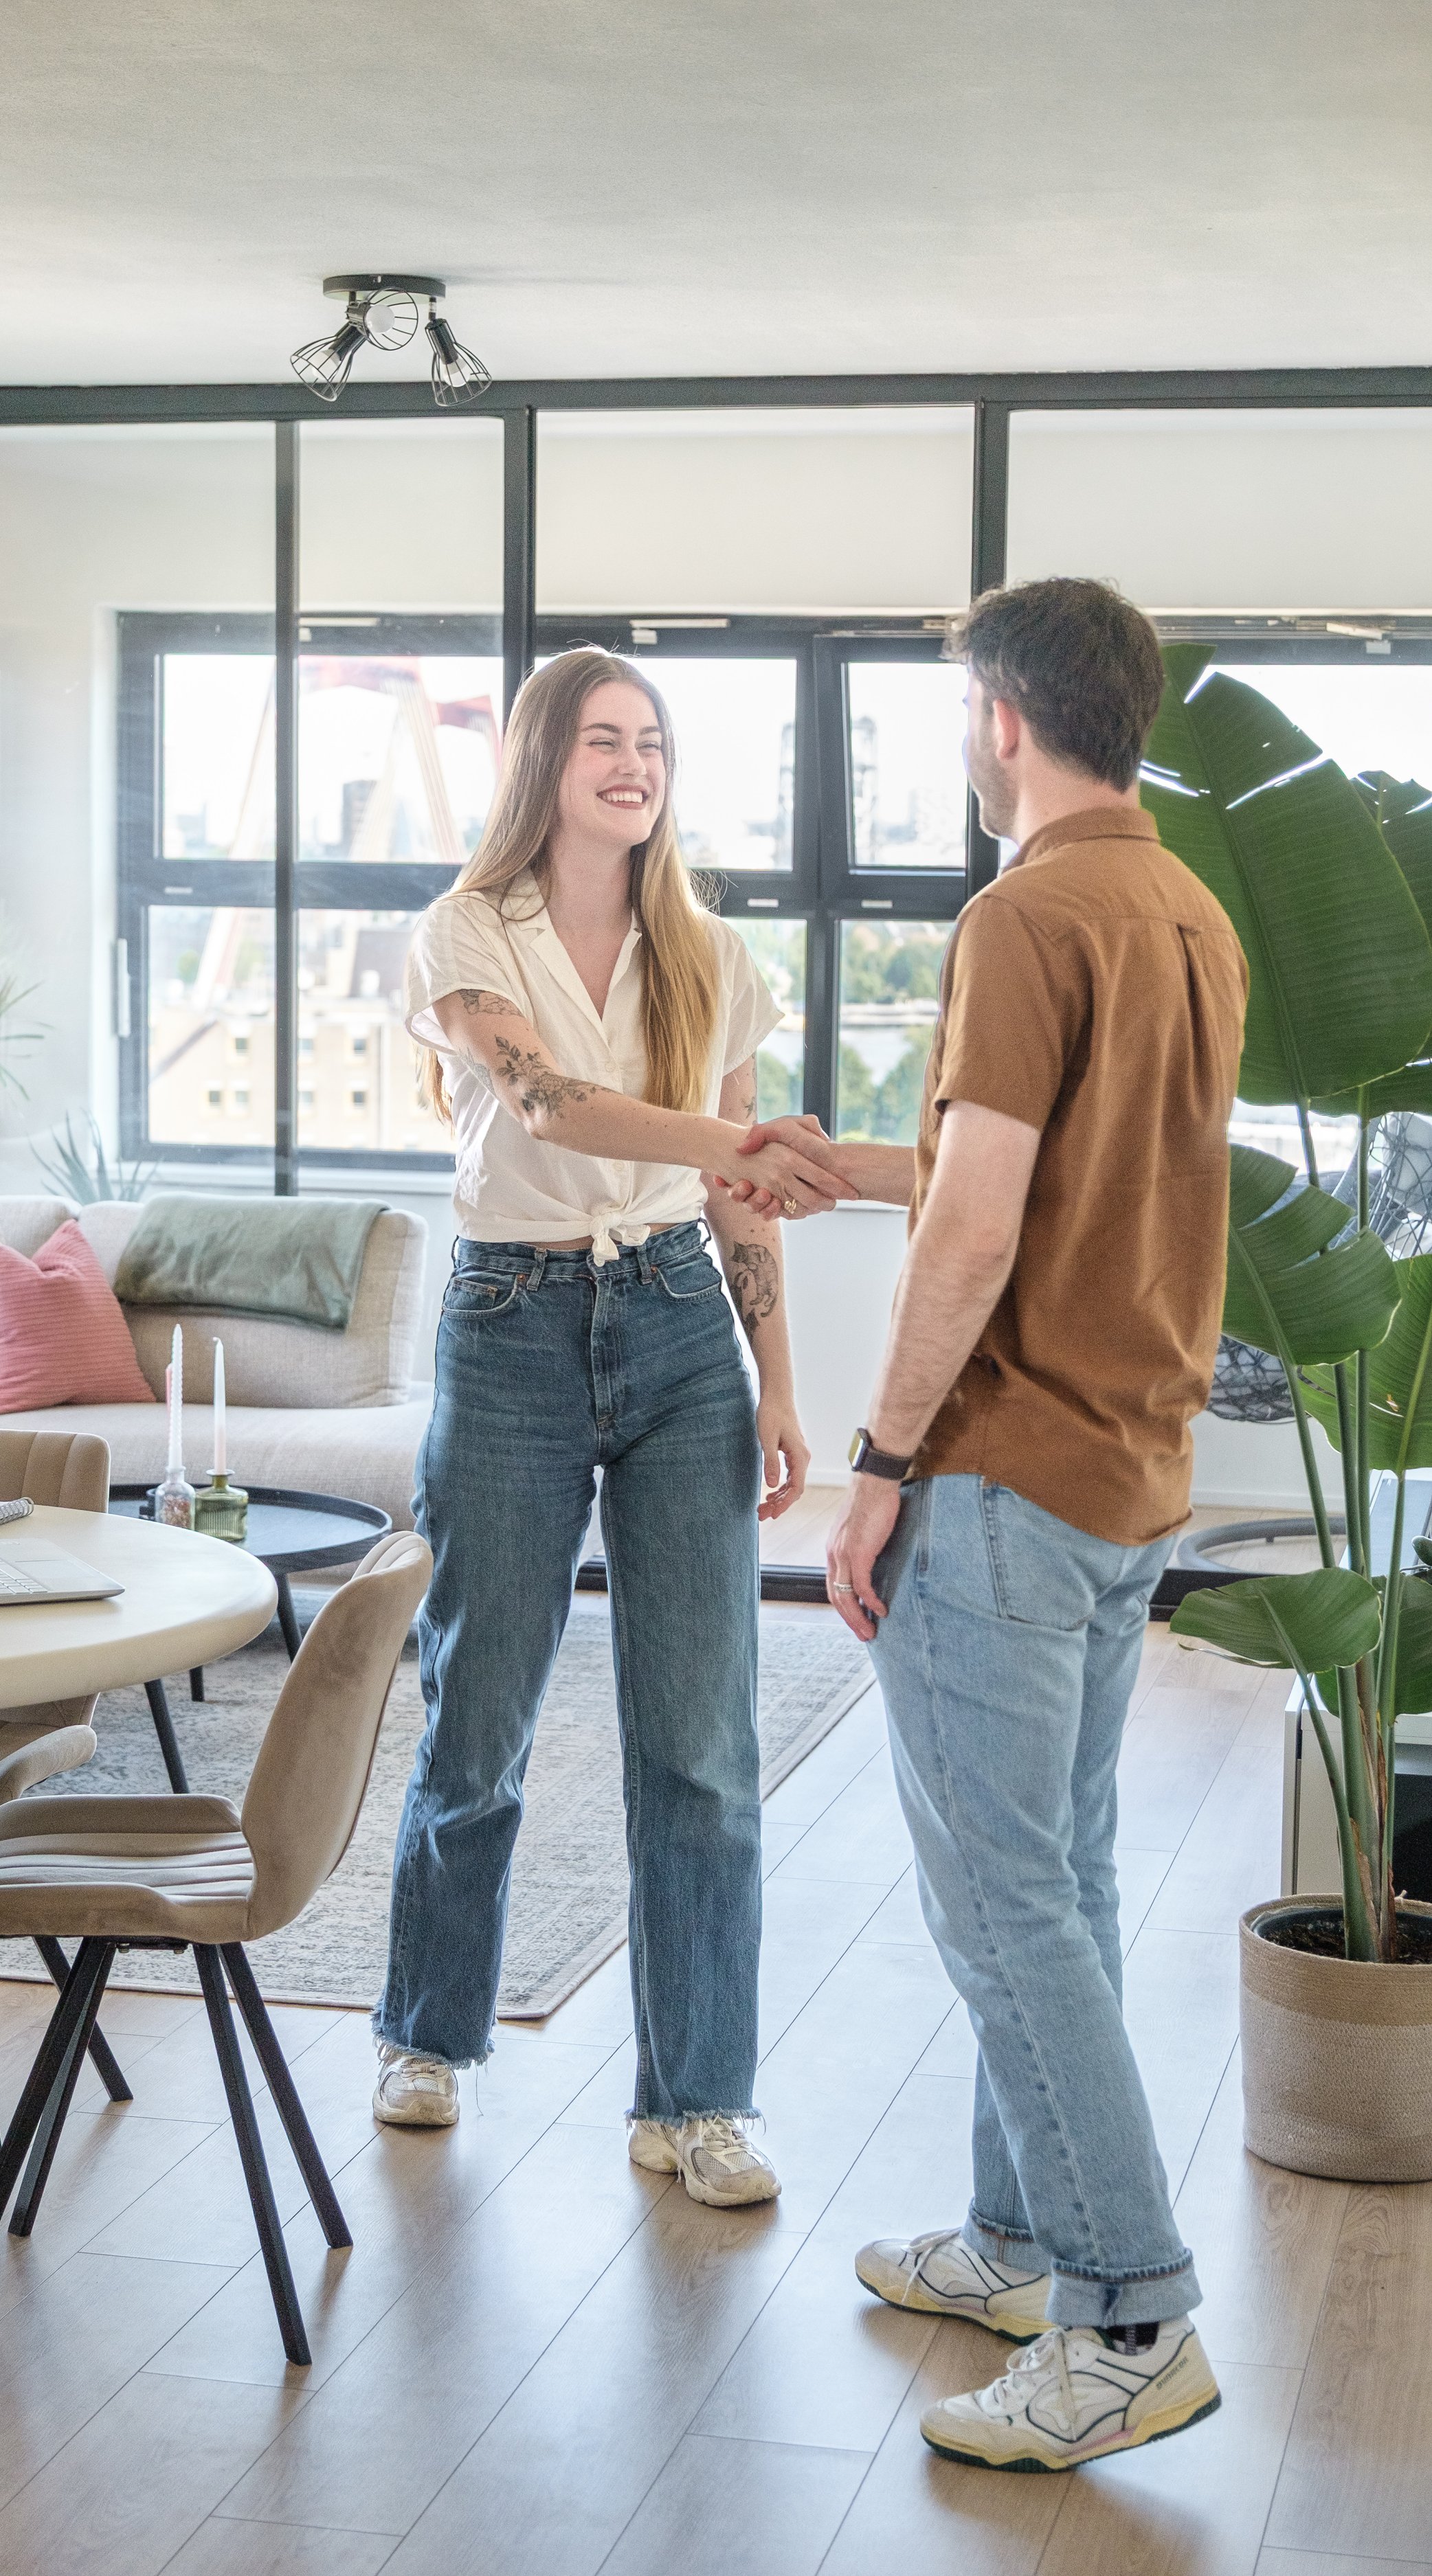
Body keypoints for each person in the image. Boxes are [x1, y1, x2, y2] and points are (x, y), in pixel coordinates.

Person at [732, 578, 1247, 2470]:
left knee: (998, 1897)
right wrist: (845, 1162)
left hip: (1003, 1471)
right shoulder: (1181, 909)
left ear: (1003, 719)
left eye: (961, 708)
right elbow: (1048, 1176)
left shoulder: (1021, 913)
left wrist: (877, 1461)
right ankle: (1018, 2239)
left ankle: (1126, 2314)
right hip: (1126, 1472)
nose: (962, 737)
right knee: (1062, 1876)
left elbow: (973, 1228)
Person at [373, 646, 849, 2206]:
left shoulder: (709, 952)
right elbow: (548, 1107)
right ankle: (429, 2032)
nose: (633, 763)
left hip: (677, 1322)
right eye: (601, 739)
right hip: (509, 1323)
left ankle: (699, 2098)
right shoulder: (465, 931)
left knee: (702, 1743)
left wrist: (778, 1381)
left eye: (650, 741)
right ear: (543, 762)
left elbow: (736, 1199)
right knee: (479, 1709)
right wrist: (741, 1136)